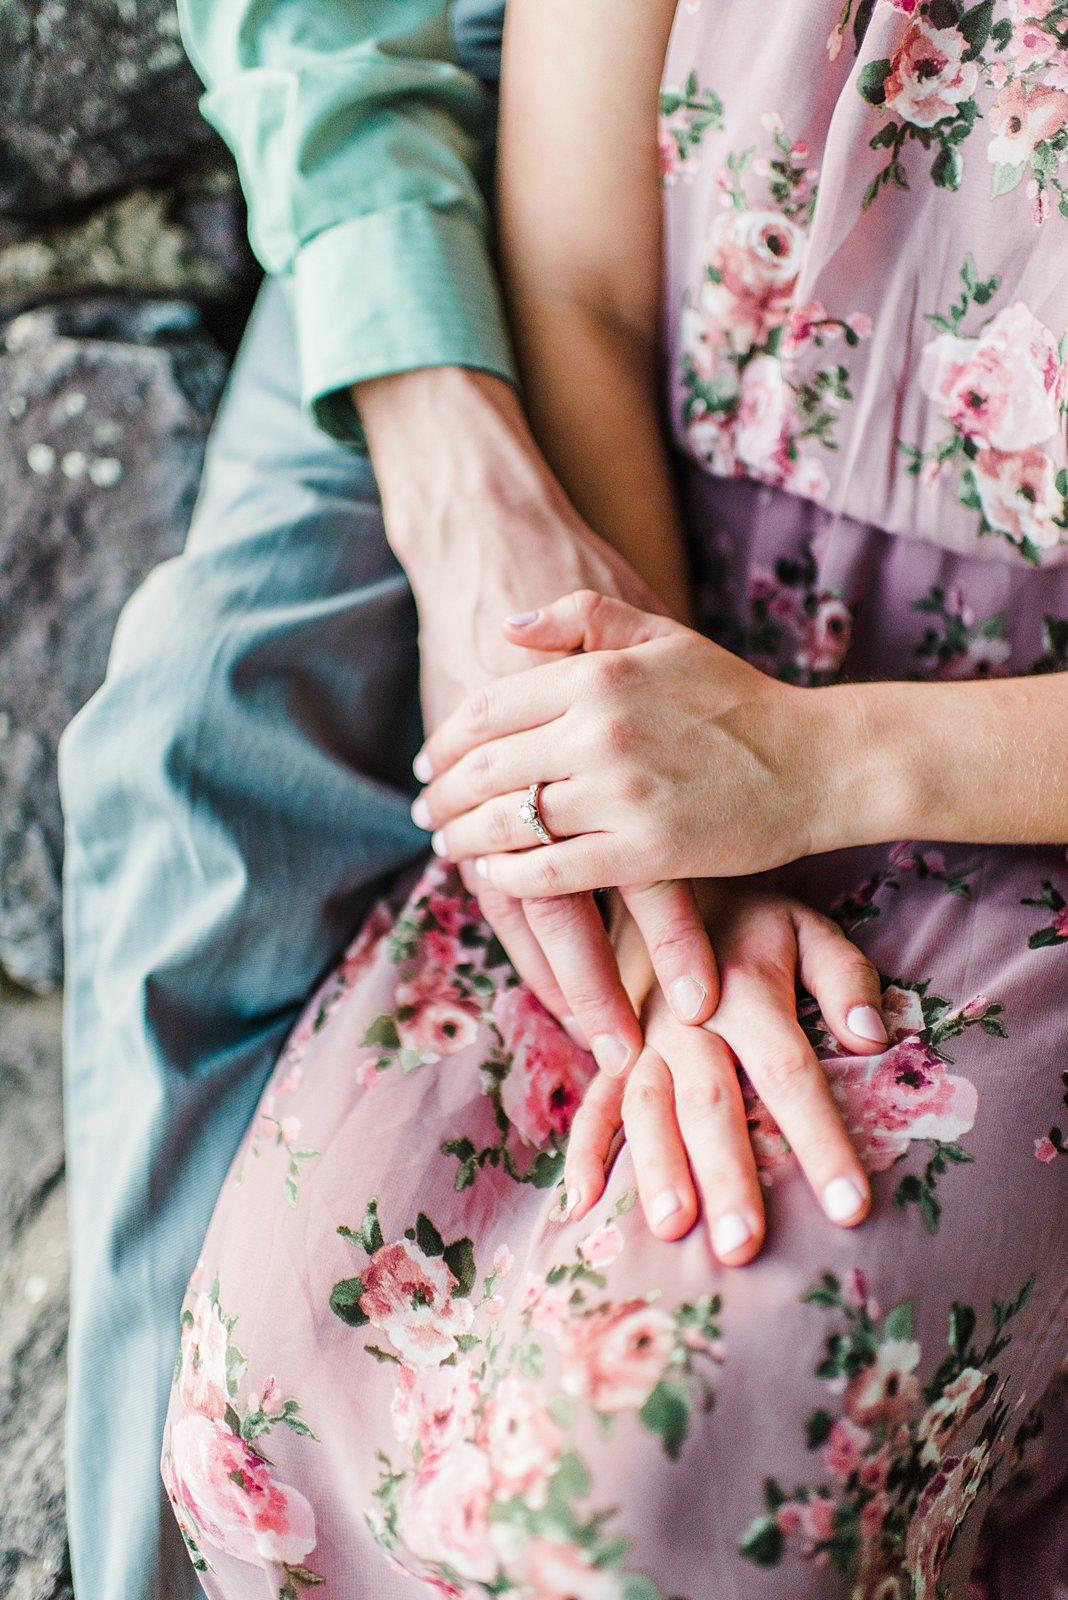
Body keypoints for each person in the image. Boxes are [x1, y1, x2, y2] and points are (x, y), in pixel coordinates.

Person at [153, 1, 1068, 1597]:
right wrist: (677, 893)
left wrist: (807, 769)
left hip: (1008, 802)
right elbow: (575, 294)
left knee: (645, 1492)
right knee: (280, 1367)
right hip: (676, 686)